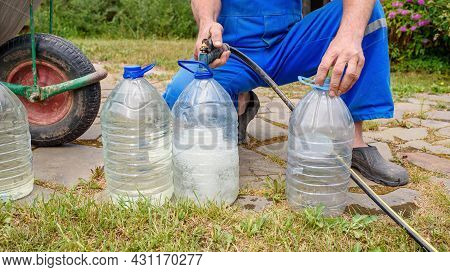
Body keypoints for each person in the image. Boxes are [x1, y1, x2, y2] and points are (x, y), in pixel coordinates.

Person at [163, 0, 409, 187]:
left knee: (368, 13)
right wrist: (207, 22)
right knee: (179, 100)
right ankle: (240, 103)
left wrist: (349, 36)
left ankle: (352, 143)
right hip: (231, 51)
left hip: (290, 44)